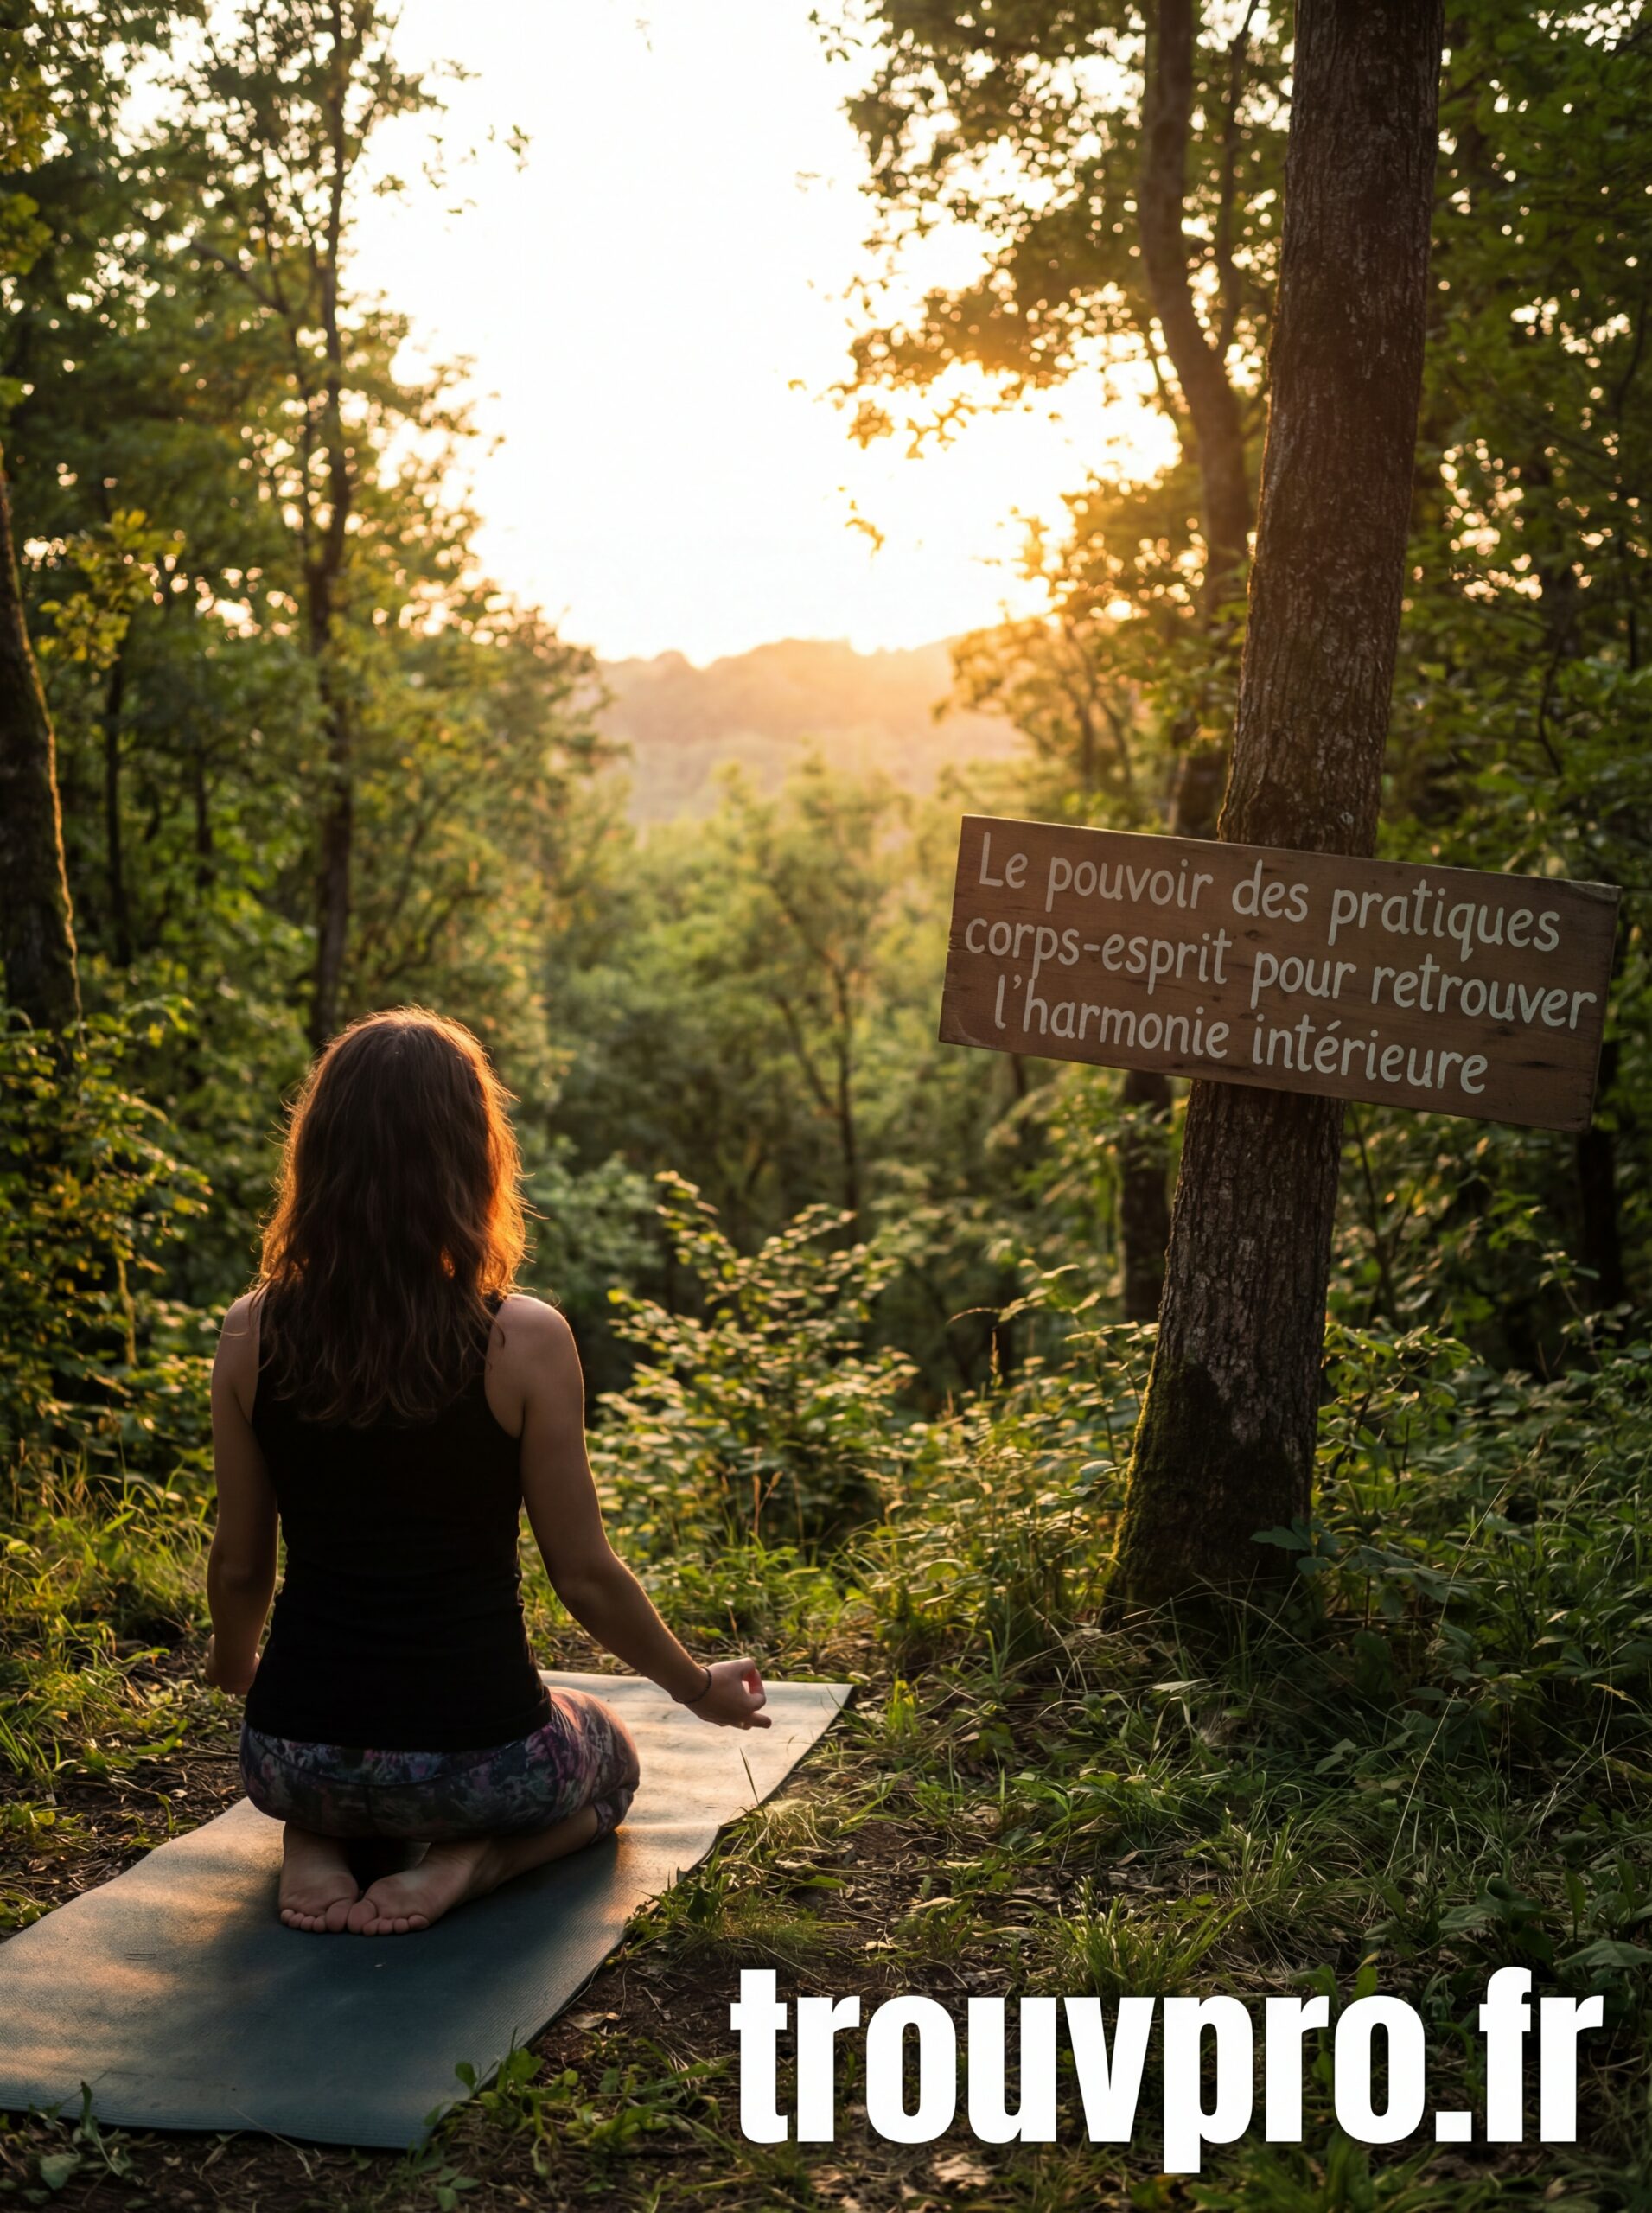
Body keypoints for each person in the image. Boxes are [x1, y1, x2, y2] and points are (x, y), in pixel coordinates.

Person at [206, 1006, 769, 1937]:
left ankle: (317, 1836)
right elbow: (584, 1576)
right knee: (609, 1752)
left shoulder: (249, 1329)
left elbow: (239, 1564)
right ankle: (474, 1860)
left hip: (288, 1760)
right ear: (473, 1159)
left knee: (346, 1764)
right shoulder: (524, 1338)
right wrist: (695, 1686)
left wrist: (236, 1666)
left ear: (320, 1156)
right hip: (478, 1763)